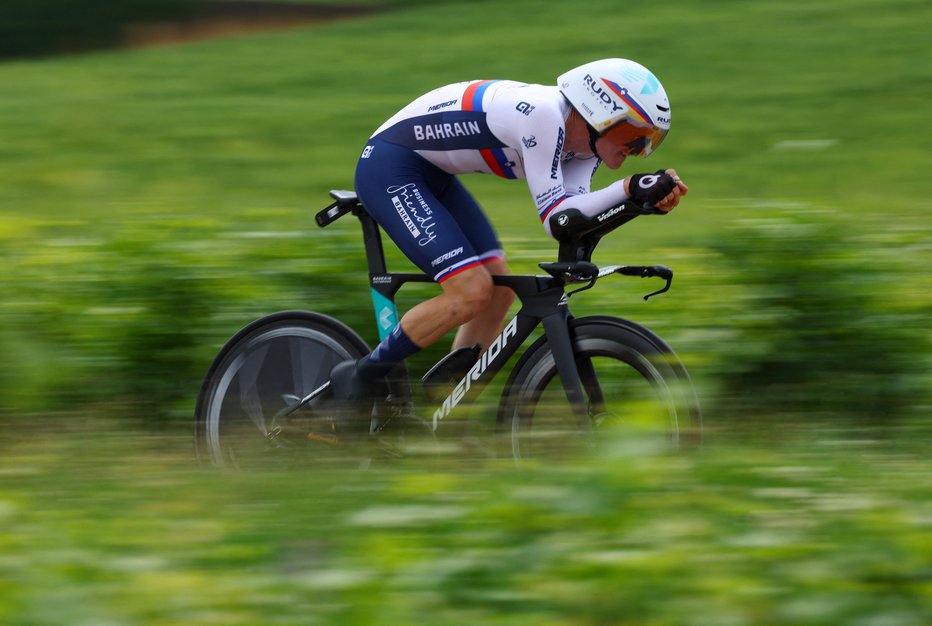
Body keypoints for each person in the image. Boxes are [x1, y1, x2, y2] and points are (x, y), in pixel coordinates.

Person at [330, 58, 688, 402]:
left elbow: (573, 221)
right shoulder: (544, 115)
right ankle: (359, 378)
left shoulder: (584, 149)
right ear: (597, 113)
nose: (638, 149)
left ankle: (447, 407)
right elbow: (555, 218)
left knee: (498, 291)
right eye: (632, 134)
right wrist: (628, 189)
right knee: (470, 292)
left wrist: (640, 203)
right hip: (390, 167)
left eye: (648, 140)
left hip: (433, 173)